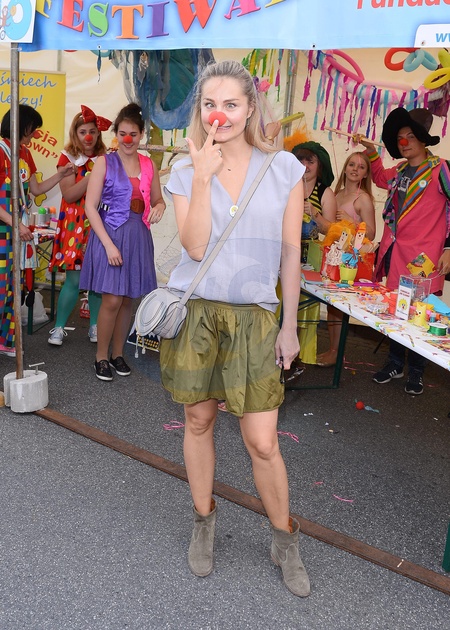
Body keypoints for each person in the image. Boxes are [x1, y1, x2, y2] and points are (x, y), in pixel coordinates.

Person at [159, 60, 310, 597]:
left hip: (255, 317)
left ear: (250, 109)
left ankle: (285, 538)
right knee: (198, 420)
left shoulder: (285, 169)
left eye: (230, 104)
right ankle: (204, 520)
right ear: (199, 110)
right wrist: (202, 177)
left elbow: (290, 254)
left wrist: (289, 326)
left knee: (262, 441)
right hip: (198, 312)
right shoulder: (184, 170)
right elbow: (196, 247)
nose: (218, 115)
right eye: (209, 104)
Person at [357, 107, 450, 395]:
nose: (404, 142)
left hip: (425, 258)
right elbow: (379, 177)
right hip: (396, 253)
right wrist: (372, 152)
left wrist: (449, 248)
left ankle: (417, 371)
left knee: (421, 313)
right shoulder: (398, 171)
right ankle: (395, 363)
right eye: (400, 138)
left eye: (410, 136)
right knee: (396, 310)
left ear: (423, 139)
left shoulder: (441, 169)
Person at [79, 103, 165, 381]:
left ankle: (118, 354)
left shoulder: (149, 165)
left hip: (138, 236)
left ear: (141, 135)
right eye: (123, 134)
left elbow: (158, 199)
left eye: (134, 134)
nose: (128, 140)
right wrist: (108, 245)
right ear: (116, 134)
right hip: (111, 235)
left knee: (128, 298)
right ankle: (100, 357)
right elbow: (90, 207)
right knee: (113, 299)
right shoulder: (104, 163)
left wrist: (160, 207)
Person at [0, 104, 75, 357]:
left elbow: (36, 189)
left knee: (13, 287)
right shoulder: (1, 151)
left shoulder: (24, 153)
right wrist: (16, 224)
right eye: (33, 129)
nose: (35, 135)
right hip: (4, 231)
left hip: (15, 231)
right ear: (22, 126)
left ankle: (6, 340)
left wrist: (61, 174)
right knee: (1, 286)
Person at [47, 106, 112, 346]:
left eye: (92, 131)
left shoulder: (106, 158)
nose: (88, 137)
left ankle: (95, 325)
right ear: (75, 133)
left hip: (99, 224)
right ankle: (58, 327)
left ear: (98, 134)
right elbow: (70, 194)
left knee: (95, 282)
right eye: (83, 131)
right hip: (74, 226)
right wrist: (91, 176)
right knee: (73, 280)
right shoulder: (68, 158)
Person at [317, 151, 376, 367]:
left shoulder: (363, 199)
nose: (354, 169)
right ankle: (333, 349)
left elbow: (371, 234)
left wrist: (352, 220)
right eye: (351, 164)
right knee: (331, 306)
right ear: (345, 167)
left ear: (366, 174)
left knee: (339, 308)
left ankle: (336, 352)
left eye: (361, 167)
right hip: (332, 257)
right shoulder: (337, 194)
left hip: (349, 262)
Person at [285, 141, 337, 379]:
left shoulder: (325, 192)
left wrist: (314, 214)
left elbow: (333, 232)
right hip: (284, 254)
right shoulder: (286, 184)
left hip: (310, 260)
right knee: (280, 306)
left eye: (310, 161)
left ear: (319, 165)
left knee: (301, 309)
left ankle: (295, 360)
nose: (305, 165)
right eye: (300, 160)